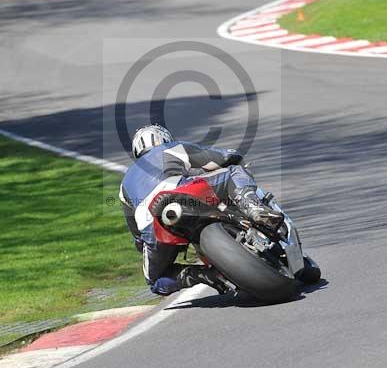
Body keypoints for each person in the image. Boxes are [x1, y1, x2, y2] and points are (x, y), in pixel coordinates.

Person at [118, 124, 283, 296]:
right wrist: (235, 157)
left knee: (154, 281)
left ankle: (206, 276)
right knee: (234, 171)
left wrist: (149, 244)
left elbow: (137, 236)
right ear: (165, 138)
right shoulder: (172, 147)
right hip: (180, 192)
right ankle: (254, 208)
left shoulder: (124, 185)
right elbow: (219, 158)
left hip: (151, 225)